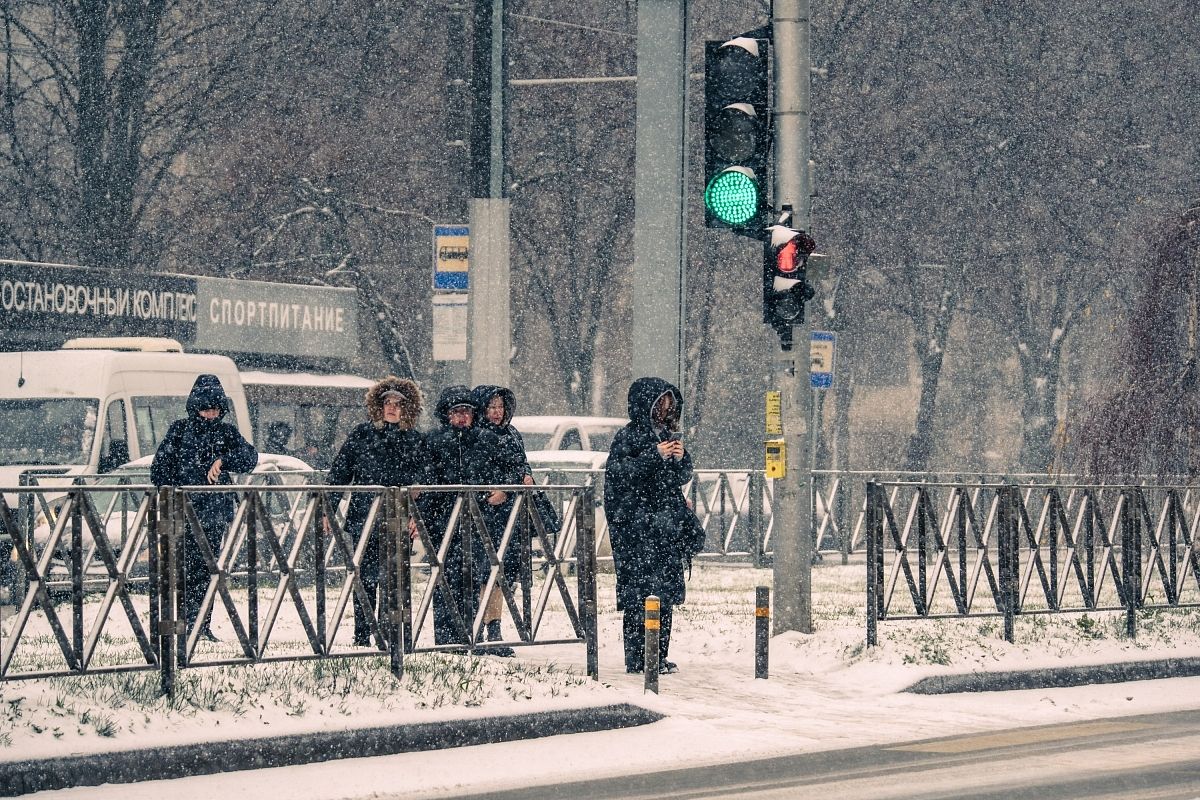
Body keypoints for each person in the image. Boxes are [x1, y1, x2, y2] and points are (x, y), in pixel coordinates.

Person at [604, 377, 704, 675]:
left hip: (664, 529)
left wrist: (680, 457)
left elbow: (678, 476)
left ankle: (658, 655)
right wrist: (655, 455)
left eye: (669, 404)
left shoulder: (667, 434)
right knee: (641, 595)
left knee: (666, 594)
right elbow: (621, 475)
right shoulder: (628, 437)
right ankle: (638, 658)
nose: (664, 409)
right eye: (660, 403)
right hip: (639, 531)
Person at [150, 374, 258, 642]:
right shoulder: (179, 431)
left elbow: (249, 458)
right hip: (183, 513)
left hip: (213, 514)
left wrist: (223, 460)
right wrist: (182, 487)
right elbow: (159, 470)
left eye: (215, 409)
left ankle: (201, 624)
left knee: (208, 571)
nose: (211, 414)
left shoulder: (226, 432)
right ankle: (186, 624)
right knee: (185, 571)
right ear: (195, 408)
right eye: (206, 409)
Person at [327, 377, 427, 647]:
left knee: (395, 578)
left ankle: (392, 633)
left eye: (398, 404)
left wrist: (419, 516)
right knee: (364, 577)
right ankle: (362, 634)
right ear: (378, 406)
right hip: (363, 516)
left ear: (408, 408)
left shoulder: (415, 440)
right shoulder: (362, 434)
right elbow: (340, 473)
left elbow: (425, 482)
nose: (391, 408)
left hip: (398, 519)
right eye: (387, 403)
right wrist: (328, 509)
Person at [422, 385, 506, 651]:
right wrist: (422, 516)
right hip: (442, 520)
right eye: (457, 412)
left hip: (478, 519)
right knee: (444, 578)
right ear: (446, 414)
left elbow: (507, 469)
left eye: (467, 412)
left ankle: (471, 636)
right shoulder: (433, 441)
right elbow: (426, 482)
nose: (462, 417)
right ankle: (446, 640)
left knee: (473, 578)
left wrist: (502, 489)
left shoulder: (486, 440)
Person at [472, 385, 536, 651]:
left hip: (511, 510)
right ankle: (484, 628)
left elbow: (521, 462)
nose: (497, 412)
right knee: (487, 570)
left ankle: (495, 628)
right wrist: (498, 489)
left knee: (505, 572)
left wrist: (524, 478)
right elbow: (480, 470)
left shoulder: (512, 433)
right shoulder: (477, 436)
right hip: (486, 511)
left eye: (500, 407)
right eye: (491, 407)